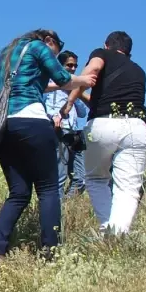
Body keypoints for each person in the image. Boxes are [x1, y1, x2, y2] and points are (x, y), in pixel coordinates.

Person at [0, 30, 96, 267]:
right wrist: (84, 81)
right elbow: (64, 78)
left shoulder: (6, 52)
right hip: (32, 122)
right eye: (57, 48)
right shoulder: (39, 47)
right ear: (49, 41)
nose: (55, 53)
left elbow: (36, 82)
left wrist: (57, 85)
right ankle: (51, 251)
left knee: (19, 193)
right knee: (47, 189)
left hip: (5, 127)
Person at [63, 31, 146, 235]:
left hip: (103, 125)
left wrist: (69, 102)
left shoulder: (102, 53)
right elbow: (105, 97)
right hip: (136, 126)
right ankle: (117, 233)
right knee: (128, 186)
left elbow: (90, 72)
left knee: (96, 179)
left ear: (106, 44)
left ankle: (106, 227)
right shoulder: (139, 71)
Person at [43, 51, 88, 195]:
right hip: (59, 130)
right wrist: (53, 117)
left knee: (80, 176)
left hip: (74, 131)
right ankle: (59, 208)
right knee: (60, 174)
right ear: (60, 66)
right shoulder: (50, 86)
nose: (73, 68)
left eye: (75, 66)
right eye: (69, 65)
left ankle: (68, 204)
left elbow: (82, 113)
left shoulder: (74, 88)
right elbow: (43, 106)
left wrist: (74, 97)